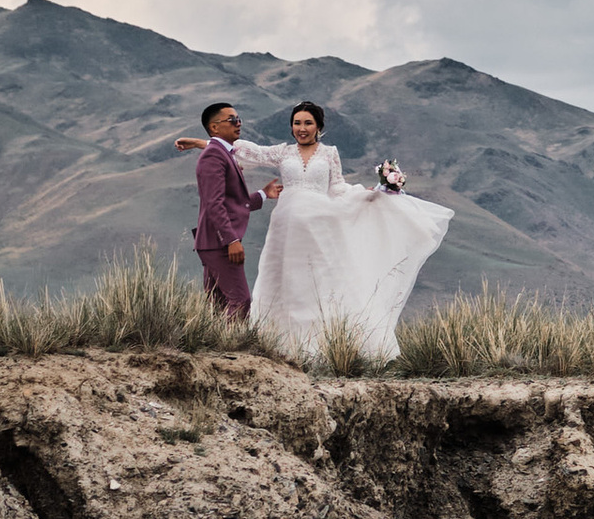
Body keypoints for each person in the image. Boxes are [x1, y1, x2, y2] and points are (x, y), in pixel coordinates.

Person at [175, 99, 451, 365]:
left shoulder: (330, 154)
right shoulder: (283, 152)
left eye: (307, 123)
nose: (301, 128)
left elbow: (338, 188)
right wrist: (200, 143)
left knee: (318, 283)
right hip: (285, 229)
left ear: (318, 126)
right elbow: (243, 151)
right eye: (296, 123)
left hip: (319, 226)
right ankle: (280, 346)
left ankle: (319, 347)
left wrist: (368, 194)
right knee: (282, 283)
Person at [186, 101, 279, 318]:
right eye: (232, 120)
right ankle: (232, 347)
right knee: (240, 300)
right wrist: (231, 240)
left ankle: (211, 347)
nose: (238, 123)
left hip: (212, 242)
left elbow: (232, 202)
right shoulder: (213, 156)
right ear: (214, 127)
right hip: (218, 243)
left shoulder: (224, 153)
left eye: (238, 119)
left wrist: (264, 194)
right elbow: (214, 204)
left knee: (216, 304)